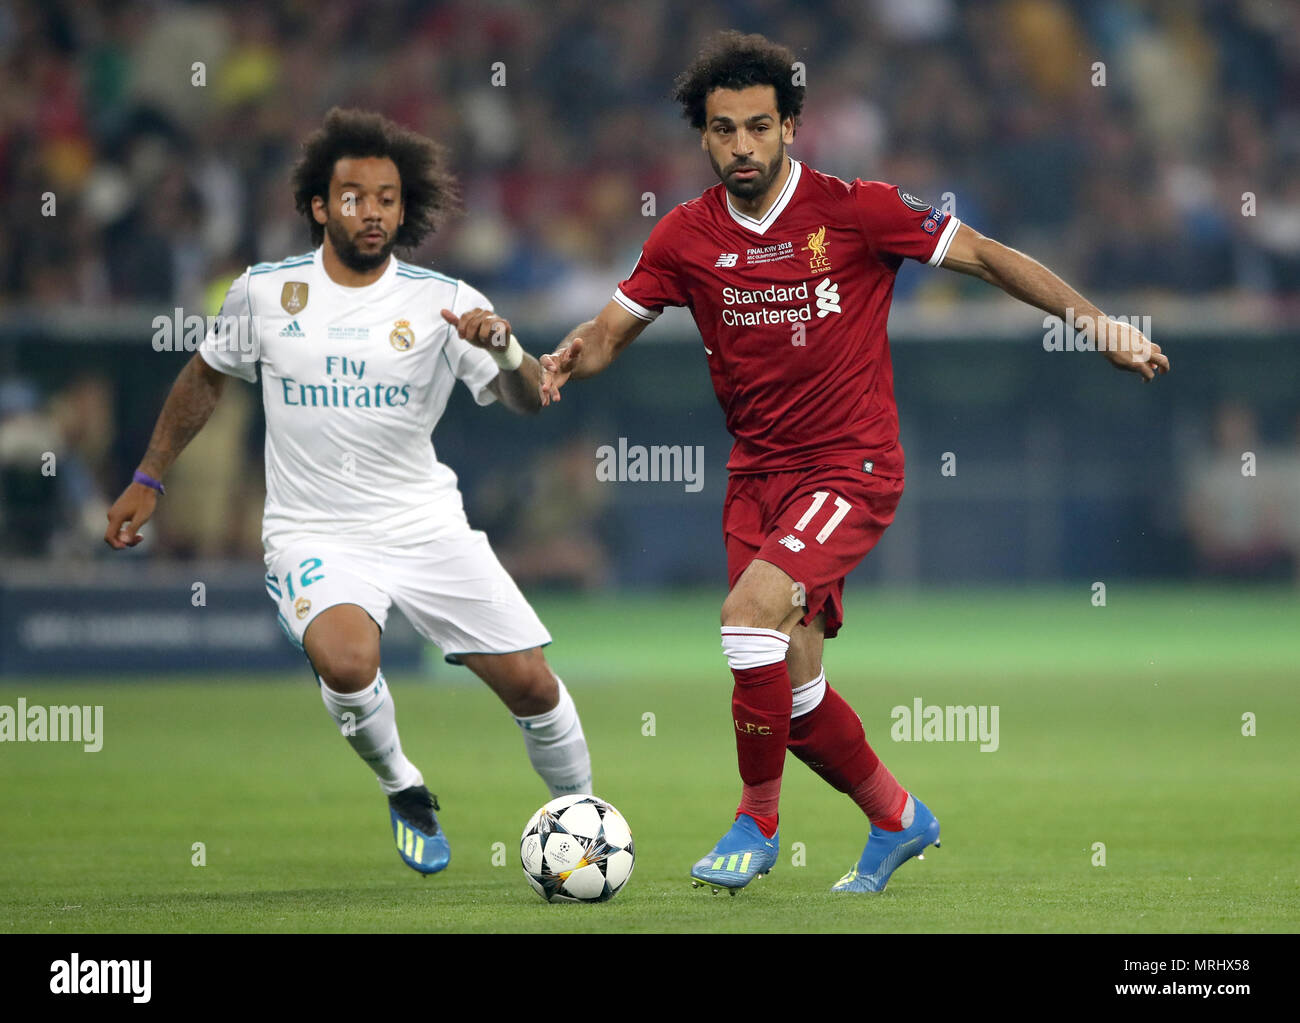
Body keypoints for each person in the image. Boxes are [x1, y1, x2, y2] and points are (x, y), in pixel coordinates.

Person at [539, 32, 1169, 894]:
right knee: (791, 694)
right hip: (757, 478)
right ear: (704, 139)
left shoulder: (858, 208)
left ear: (791, 126)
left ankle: (755, 818)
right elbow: (613, 328)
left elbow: (986, 255)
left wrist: (1098, 323)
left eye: (759, 126)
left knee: (746, 617)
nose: (742, 147)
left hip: (851, 466)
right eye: (724, 130)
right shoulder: (686, 236)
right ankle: (899, 816)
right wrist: (573, 354)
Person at [104, 108, 593, 876]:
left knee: (531, 684)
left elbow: (532, 399)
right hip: (314, 530)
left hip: (425, 523)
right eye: (356, 196)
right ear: (320, 206)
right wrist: (148, 475)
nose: (374, 212)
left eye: (388, 199)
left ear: (406, 209)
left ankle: (583, 820)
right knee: (345, 659)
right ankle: (403, 785)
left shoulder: (443, 300)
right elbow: (205, 375)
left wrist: (503, 347)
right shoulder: (264, 292)